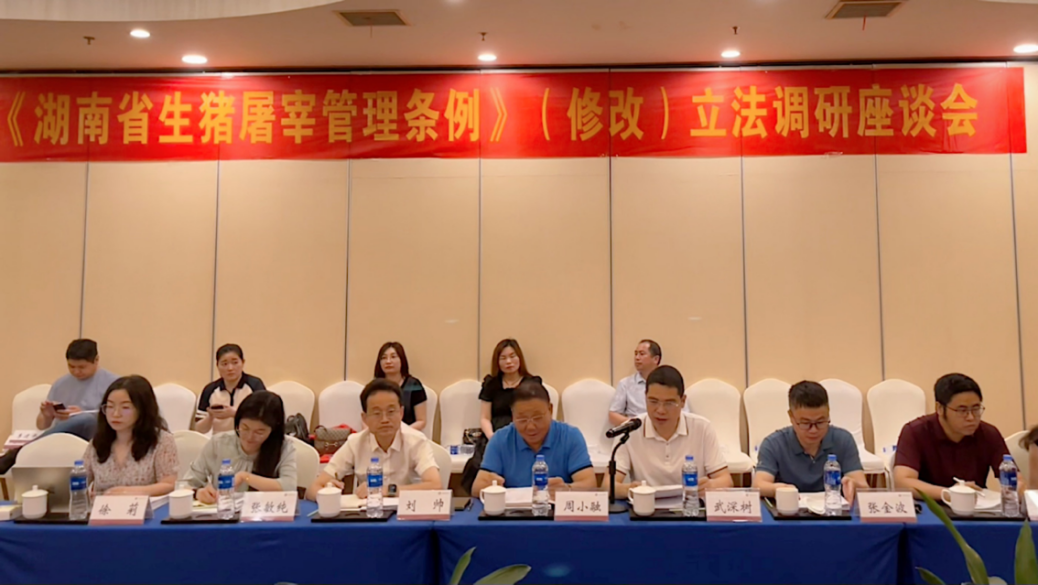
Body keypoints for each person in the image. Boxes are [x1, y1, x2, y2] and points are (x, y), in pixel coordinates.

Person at [306, 379, 440, 500]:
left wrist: (386, 490)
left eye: (391, 411)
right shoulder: (355, 443)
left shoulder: (416, 441)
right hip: (370, 514)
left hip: (407, 513)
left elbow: (436, 485)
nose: (385, 419)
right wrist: (327, 492)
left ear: (401, 413)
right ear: (365, 418)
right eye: (376, 413)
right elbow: (312, 489)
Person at [0, 339, 119, 474]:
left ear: (96, 360)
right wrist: (47, 415)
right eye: (71, 367)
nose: (76, 371)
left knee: (85, 419)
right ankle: (23, 451)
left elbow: (118, 418)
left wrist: (83, 414)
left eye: (82, 367)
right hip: (60, 437)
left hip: (95, 435)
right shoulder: (60, 384)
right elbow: (42, 426)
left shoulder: (114, 384)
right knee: (75, 423)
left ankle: (19, 452)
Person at [613, 365, 733, 498]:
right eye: (653, 401)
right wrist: (628, 489)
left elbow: (725, 480)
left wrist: (710, 485)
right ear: (645, 397)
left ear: (682, 401)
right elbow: (608, 485)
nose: (660, 410)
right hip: (646, 506)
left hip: (691, 505)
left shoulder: (702, 428)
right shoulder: (630, 430)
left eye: (669, 403)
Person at [894, 373, 1012, 499]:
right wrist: (951, 494)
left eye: (976, 409)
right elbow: (902, 482)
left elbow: (1015, 479)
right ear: (939, 408)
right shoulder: (915, 431)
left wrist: (1020, 491)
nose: (971, 417)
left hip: (975, 505)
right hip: (930, 504)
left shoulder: (988, 433)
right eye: (962, 410)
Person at [472, 380, 596, 496]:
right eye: (522, 419)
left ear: (550, 410)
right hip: (513, 510)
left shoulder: (570, 436)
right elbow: (477, 488)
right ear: (512, 415)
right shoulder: (500, 439)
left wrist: (567, 489)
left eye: (537, 418)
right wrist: (490, 486)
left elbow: (589, 484)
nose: (531, 427)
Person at [753, 380, 867, 503]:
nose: (813, 430)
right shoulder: (774, 444)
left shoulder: (843, 440)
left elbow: (863, 487)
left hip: (832, 509)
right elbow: (759, 485)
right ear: (791, 417)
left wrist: (853, 485)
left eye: (820, 422)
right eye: (805, 423)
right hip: (789, 510)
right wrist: (779, 489)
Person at [182, 391, 298, 503]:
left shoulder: (284, 447)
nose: (250, 437)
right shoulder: (219, 443)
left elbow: (289, 487)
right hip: (224, 512)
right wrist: (198, 493)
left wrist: (245, 477)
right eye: (244, 428)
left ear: (273, 430)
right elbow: (185, 484)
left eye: (259, 432)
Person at [83, 375, 178, 496]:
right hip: (103, 507)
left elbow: (169, 484)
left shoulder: (162, 441)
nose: (115, 414)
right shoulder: (98, 442)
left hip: (147, 507)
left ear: (142, 409)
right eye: (110, 407)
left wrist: (126, 492)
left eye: (125, 407)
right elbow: (80, 481)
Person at [195, 344, 266, 435]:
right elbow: (199, 429)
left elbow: (264, 418)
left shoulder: (255, 385)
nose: (230, 368)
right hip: (220, 440)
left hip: (249, 439)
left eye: (235, 362)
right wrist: (210, 416)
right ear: (217, 366)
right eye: (224, 364)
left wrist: (235, 413)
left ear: (243, 362)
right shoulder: (210, 390)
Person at [479, 339, 542, 438]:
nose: (508, 362)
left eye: (512, 356)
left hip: (524, 436)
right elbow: (485, 418)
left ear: (519, 358)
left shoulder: (532, 384)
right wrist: (491, 437)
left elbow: (538, 416)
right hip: (495, 435)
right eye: (503, 358)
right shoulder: (491, 384)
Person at [374, 342, 428, 431]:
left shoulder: (413, 385)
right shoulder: (374, 387)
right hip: (380, 435)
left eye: (393, 357)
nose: (388, 361)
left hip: (407, 434)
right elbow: (366, 419)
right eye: (384, 358)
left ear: (402, 360)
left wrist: (400, 433)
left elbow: (421, 421)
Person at [610, 340, 663, 427]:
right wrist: (636, 424)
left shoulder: (668, 383)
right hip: (635, 429)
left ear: (656, 359)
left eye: (642, 354)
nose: (637, 358)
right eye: (636, 354)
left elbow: (682, 412)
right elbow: (613, 415)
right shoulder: (625, 384)